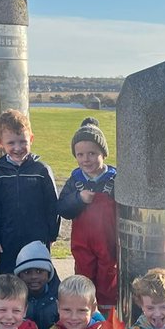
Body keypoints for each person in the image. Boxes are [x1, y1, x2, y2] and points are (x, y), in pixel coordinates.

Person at [0, 108, 60, 277]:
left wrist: (51, 235)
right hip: (7, 240)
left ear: (31, 138)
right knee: (7, 281)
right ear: (0, 143)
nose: (18, 148)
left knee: (37, 279)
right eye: (11, 143)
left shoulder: (41, 170)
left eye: (23, 141)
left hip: (36, 237)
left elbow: (52, 205)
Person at [57, 117, 118, 311]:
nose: (86, 159)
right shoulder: (75, 180)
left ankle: (109, 323)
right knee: (83, 281)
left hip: (109, 244)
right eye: (80, 154)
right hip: (82, 245)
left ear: (104, 154)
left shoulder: (115, 179)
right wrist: (78, 199)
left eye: (92, 153)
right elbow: (63, 209)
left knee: (109, 281)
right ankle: (85, 318)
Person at [13, 240, 62, 329]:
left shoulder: (59, 298)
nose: (34, 276)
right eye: (27, 272)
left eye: (39, 271)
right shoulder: (12, 299)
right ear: (19, 276)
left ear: (49, 274)